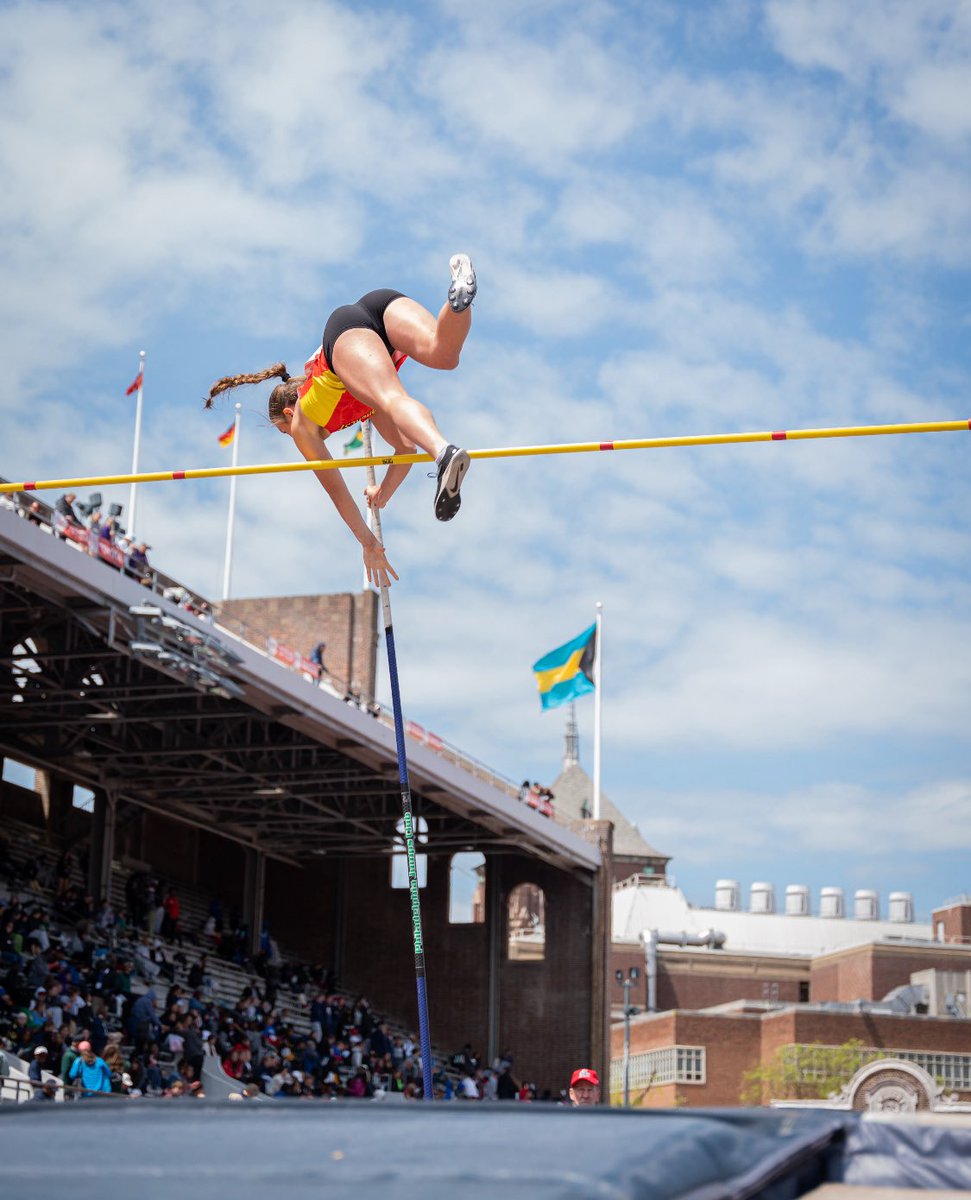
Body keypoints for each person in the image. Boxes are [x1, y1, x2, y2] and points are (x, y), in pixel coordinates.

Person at [206, 254, 478, 586]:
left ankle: (444, 452)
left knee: (392, 399)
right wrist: (383, 493)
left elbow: (338, 493)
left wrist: (368, 544)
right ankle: (459, 298)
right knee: (443, 353)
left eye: (284, 430)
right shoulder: (362, 400)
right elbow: (405, 449)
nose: (290, 437)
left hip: (346, 335)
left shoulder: (304, 424)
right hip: (382, 306)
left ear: (289, 415)